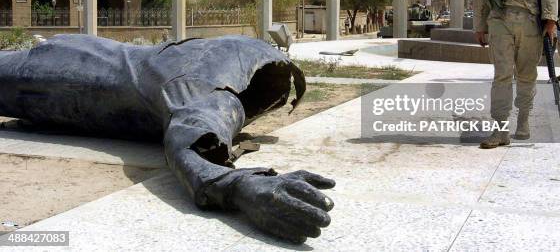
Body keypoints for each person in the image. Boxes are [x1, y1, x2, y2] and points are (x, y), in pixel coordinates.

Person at [0, 34, 333, 244]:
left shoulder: (242, 49)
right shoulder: (205, 87)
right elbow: (188, 141)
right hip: (53, 78)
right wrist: (237, 185)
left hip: (76, 56)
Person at [474, 0, 558, 148]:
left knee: (526, 74)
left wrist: (550, 19)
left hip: (529, 20)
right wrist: (480, 25)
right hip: (499, 20)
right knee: (501, 75)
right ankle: (500, 130)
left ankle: (523, 120)